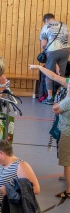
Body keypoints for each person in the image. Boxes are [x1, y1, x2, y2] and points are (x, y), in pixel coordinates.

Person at [29, 63, 70, 197]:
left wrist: (62, 99)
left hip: (67, 132)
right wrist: (40, 68)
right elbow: (53, 76)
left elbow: (56, 109)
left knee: (67, 161)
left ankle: (69, 190)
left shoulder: (68, 99)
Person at [39, 13, 69, 104]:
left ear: (46, 20)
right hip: (66, 50)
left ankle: (50, 98)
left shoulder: (46, 26)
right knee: (61, 75)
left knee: (49, 74)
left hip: (52, 51)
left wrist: (46, 51)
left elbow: (44, 44)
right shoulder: (64, 25)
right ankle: (59, 97)